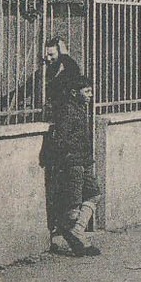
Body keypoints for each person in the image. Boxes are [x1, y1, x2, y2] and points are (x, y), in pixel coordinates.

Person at [38, 37, 102, 257]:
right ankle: (76, 238)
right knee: (73, 204)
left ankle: (76, 232)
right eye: (87, 92)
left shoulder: (78, 108)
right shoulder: (67, 110)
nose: (91, 96)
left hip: (84, 160)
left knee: (93, 195)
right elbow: (60, 139)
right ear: (76, 93)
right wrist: (64, 159)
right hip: (73, 162)